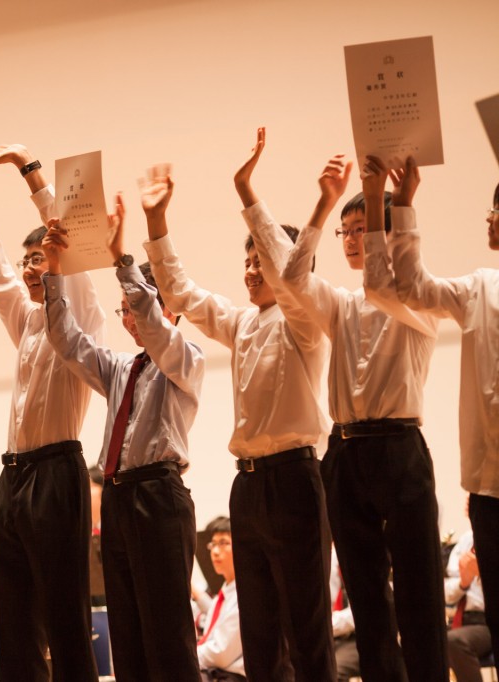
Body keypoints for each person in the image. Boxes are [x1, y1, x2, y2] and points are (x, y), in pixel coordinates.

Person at [144, 144, 334, 681]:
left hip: (297, 477)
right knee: (260, 632)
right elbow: (180, 292)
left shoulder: (305, 322)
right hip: (248, 487)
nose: (252, 270)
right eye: (247, 261)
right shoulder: (241, 323)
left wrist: (247, 193)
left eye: (262, 261)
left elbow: (290, 269)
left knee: (307, 629)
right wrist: (157, 222)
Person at [281, 152, 444, 681]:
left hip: (399, 447)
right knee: (366, 594)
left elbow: (385, 281)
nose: (352, 240)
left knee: (418, 590)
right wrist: (325, 203)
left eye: (361, 230)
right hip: (345, 451)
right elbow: (292, 276)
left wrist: (385, 201)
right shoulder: (341, 303)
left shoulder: (419, 299)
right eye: (346, 232)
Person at [0, 142, 103, 681]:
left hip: (59, 470)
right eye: (27, 261)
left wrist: (28, 168)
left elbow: (73, 240)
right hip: (12, 474)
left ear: (60, 263)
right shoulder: (26, 320)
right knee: (11, 617)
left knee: (64, 616)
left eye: (38, 259)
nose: (27, 269)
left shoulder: (80, 316)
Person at [41, 191, 204, 680]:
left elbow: (155, 325)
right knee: (128, 630)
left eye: (135, 308)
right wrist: (54, 273)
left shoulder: (185, 357)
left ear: (165, 308)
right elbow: (66, 339)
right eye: (123, 311)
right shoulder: (120, 369)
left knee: (167, 630)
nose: (129, 318)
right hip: (117, 498)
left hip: (159, 493)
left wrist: (121, 259)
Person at [384, 161, 499, 666]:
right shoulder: (480, 288)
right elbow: (411, 287)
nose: (487, 220)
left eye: (493, 210)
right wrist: (404, 202)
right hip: (491, 490)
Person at [196, 517, 245, 682]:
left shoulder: (245, 593)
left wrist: (187, 658)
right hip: (214, 672)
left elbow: (221, 652)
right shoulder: (225, 591)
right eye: (213, 544)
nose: (215, 551)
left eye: (223, 543)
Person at [444, 529, 492, 682]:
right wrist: (463, 582)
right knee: (423, 638)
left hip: (487, 622)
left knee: (454, 640)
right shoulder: (466, 540)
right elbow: (446, 594)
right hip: (462, 620)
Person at [330, 546, 360, 682]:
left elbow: (357, 616)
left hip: (355, 638)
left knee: (334, 671)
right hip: (331, 638)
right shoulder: (330, 560)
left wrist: (330, 623)